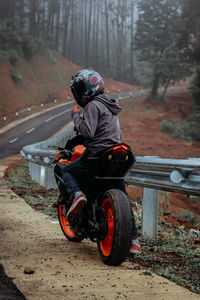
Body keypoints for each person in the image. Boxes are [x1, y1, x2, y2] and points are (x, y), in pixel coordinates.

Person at [63, 68, 141, 254]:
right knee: (120, 191)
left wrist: (75, 115)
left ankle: (77, 196)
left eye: (79, 89)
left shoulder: (92, 105)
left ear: (86, 90)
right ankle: (134, 241)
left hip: (97, 154)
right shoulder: (110, 105)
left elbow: (88, 132)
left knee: (68, 171)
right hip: (116, 154)